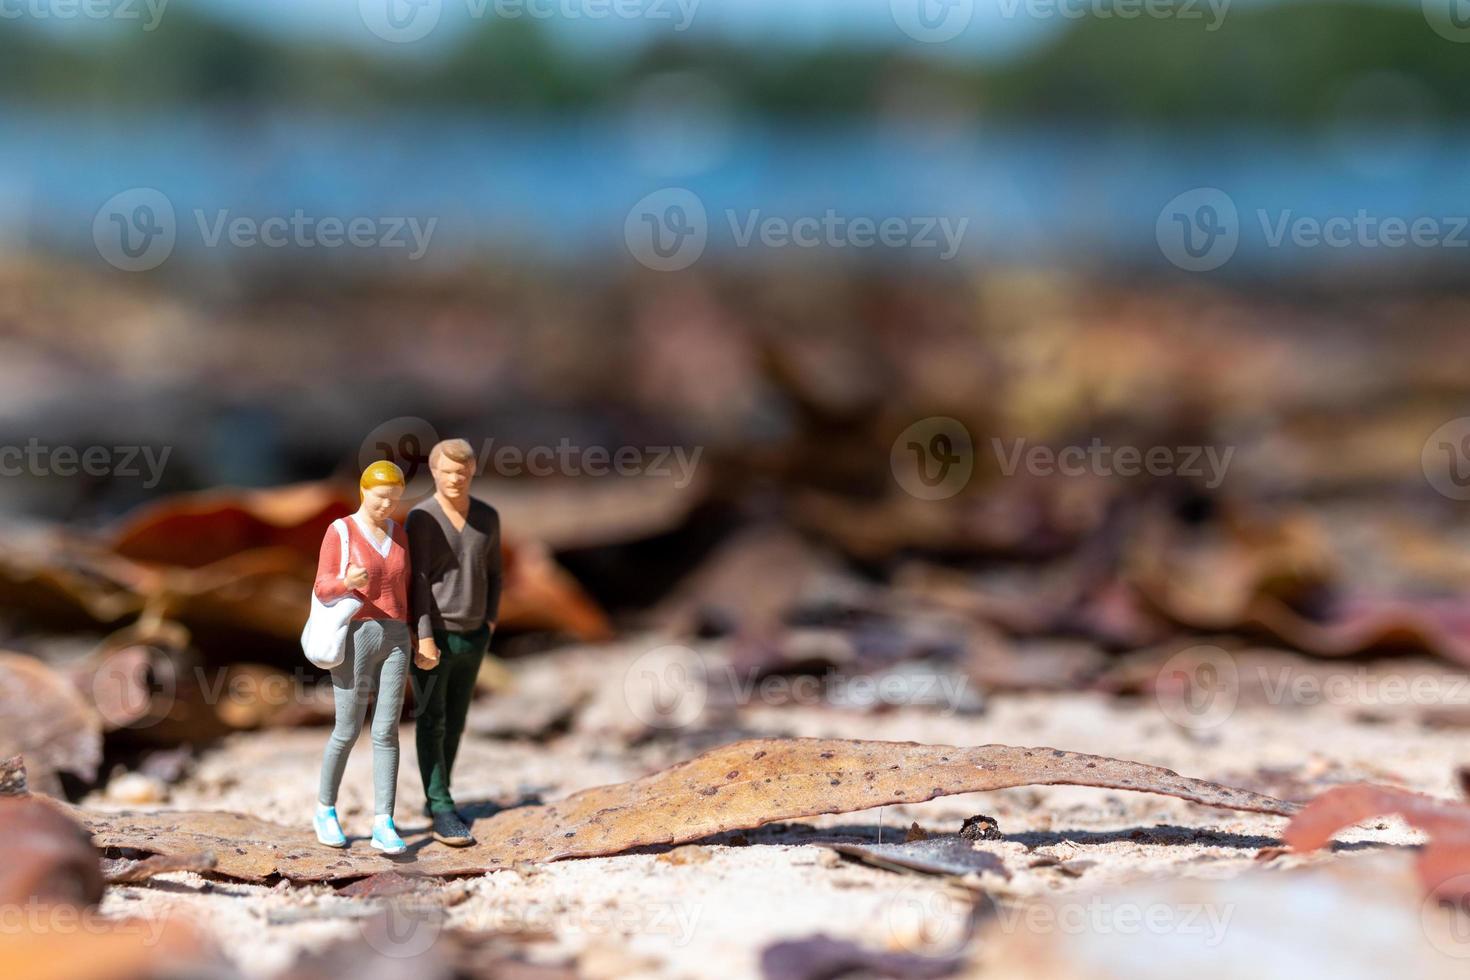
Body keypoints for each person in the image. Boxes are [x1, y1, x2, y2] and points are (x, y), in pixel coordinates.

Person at [312, 460, 414, 854]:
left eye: (394, 499)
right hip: (355, 633)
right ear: (363, 491)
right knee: (348, 728)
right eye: (380, 497)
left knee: (387, 731)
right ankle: (325, 808)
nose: (387, 505)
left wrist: (418, 636)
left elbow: (407, 588)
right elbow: (322, 588)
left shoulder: (399, 533)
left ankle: (383, 820)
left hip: (395, 635)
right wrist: (346, 582)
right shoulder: (340, 531)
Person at [408, 438, 503, 846]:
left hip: (474, 634)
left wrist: (491, 618)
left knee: (457, 720)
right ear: (433, 471)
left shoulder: (487, 516)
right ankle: (440, 802)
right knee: (432, 719)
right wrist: (423, 635)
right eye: (446, 471)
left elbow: (495, 570)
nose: (454, 479)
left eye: (462, 472)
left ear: (472, 471)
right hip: (437, 635)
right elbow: (416, 580)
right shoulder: (422, 518)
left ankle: (440, 789)